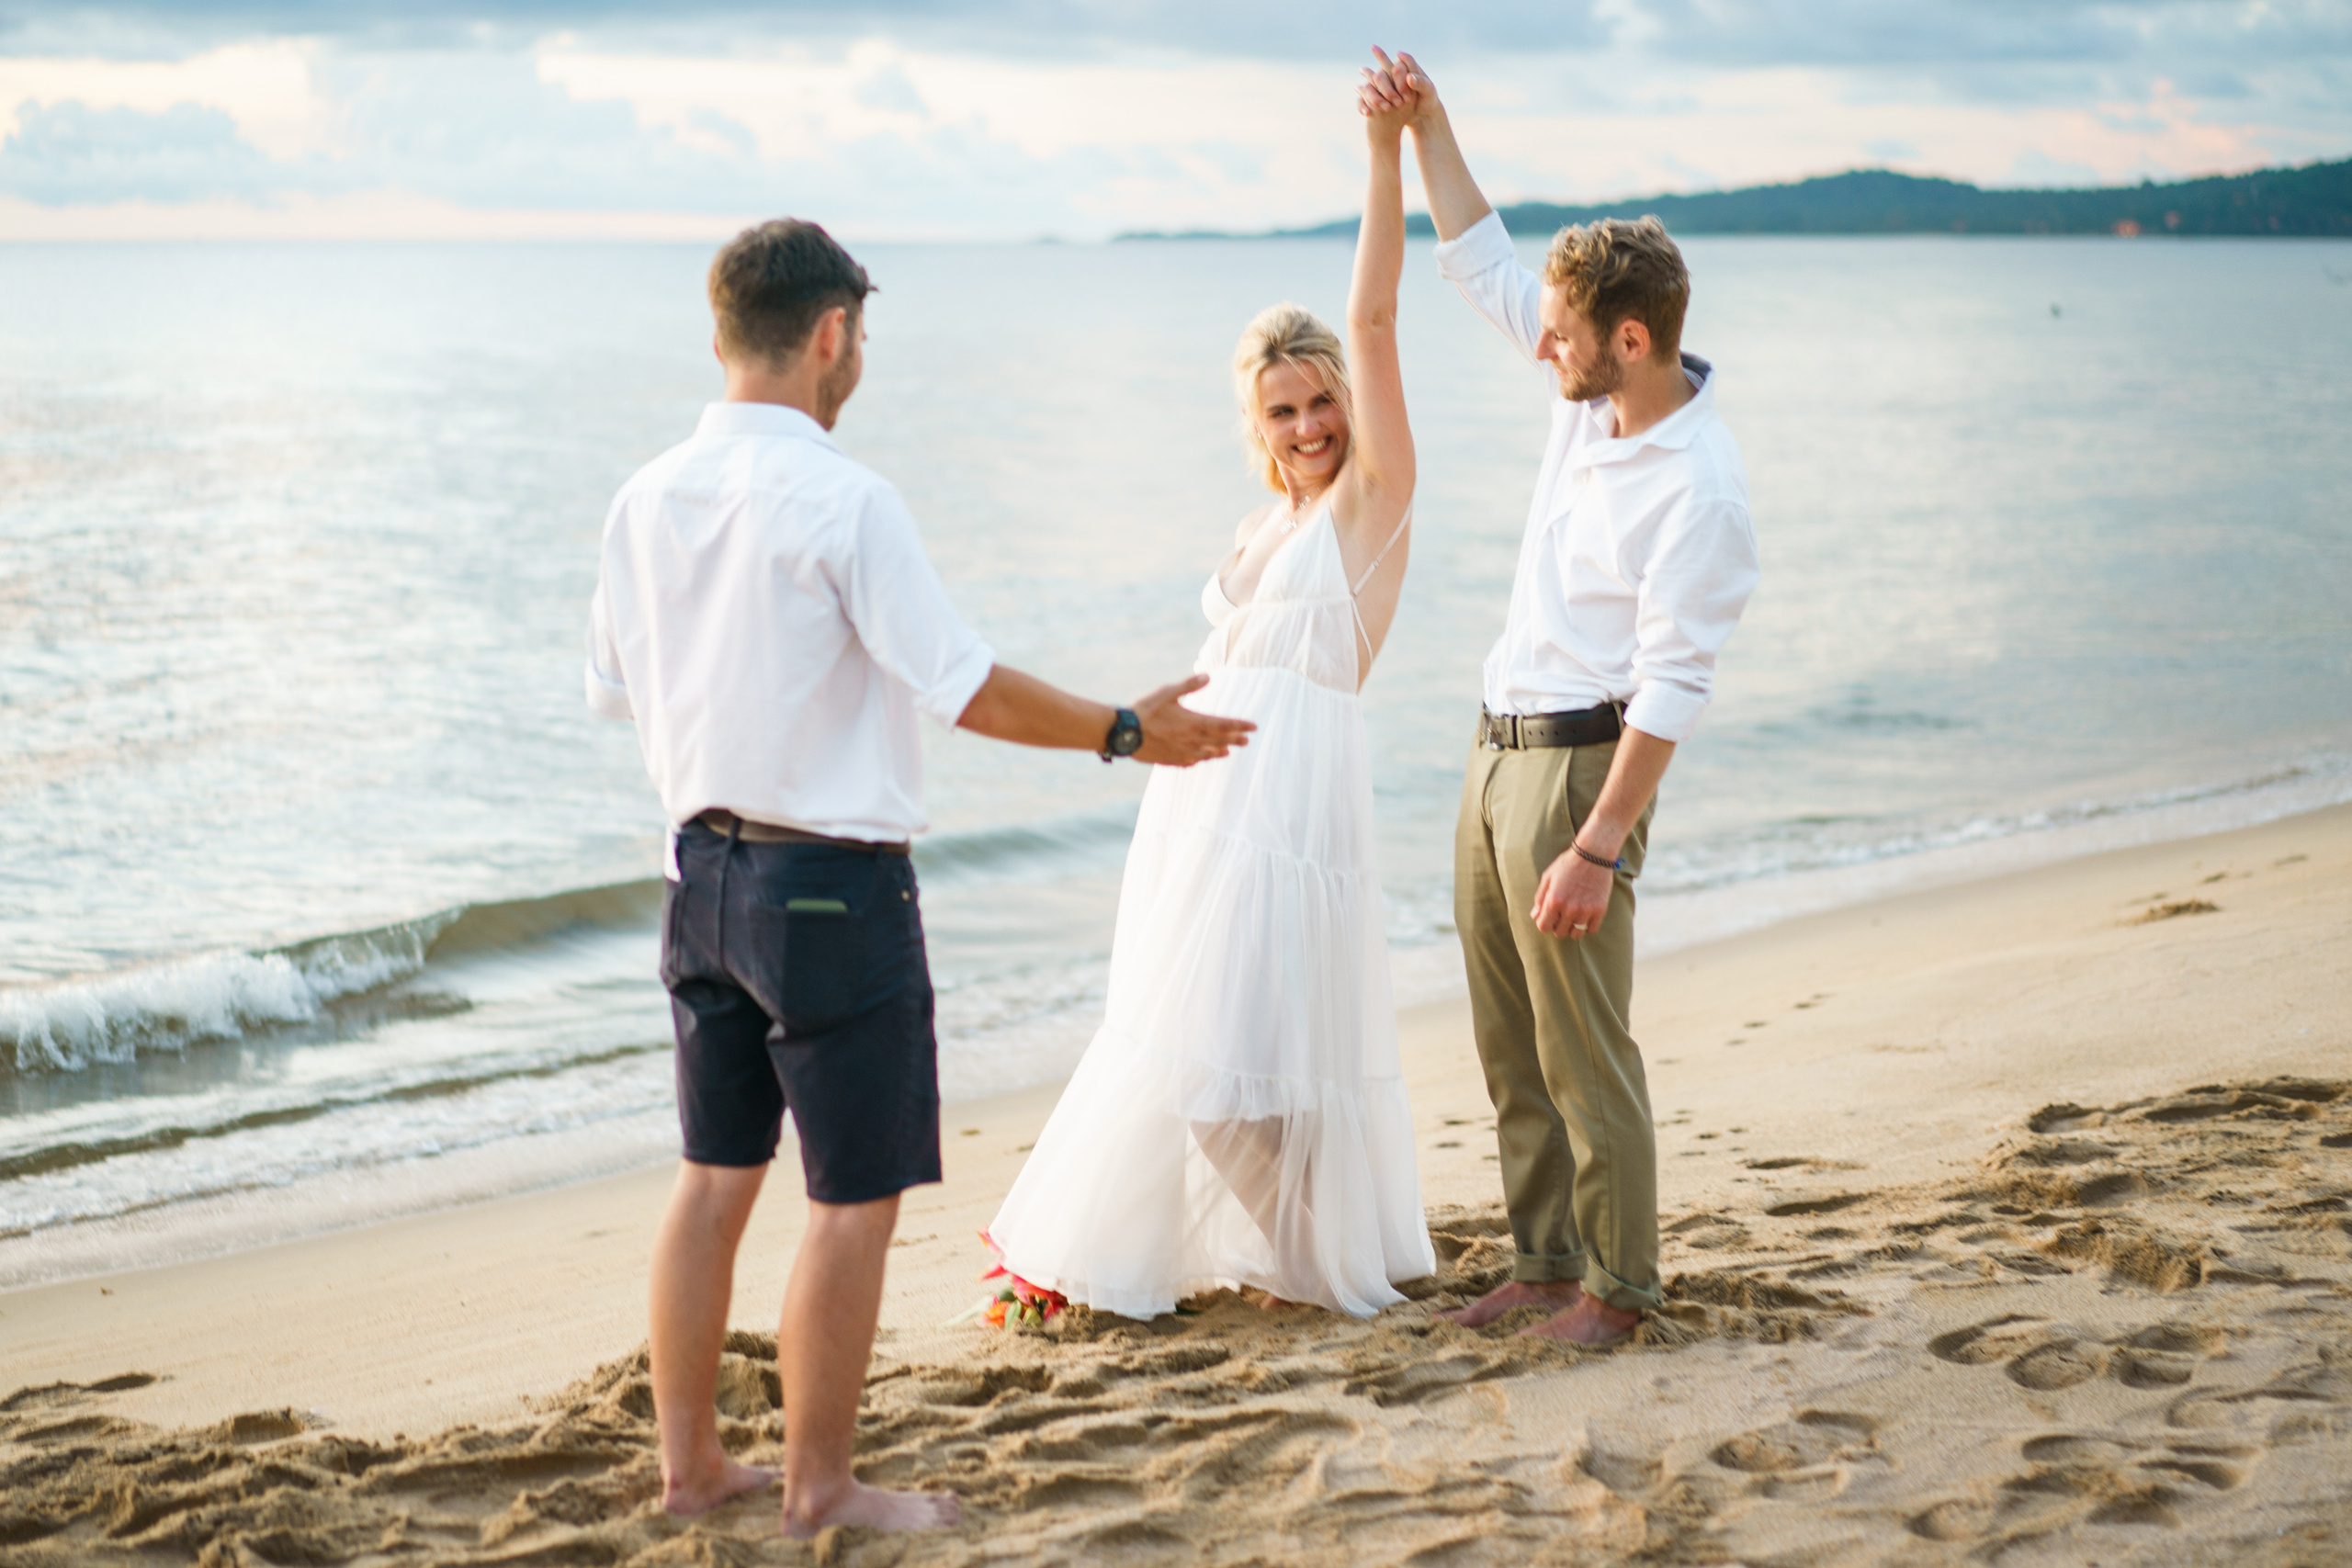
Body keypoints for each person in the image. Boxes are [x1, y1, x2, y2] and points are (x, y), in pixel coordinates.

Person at [583, 219, 1254, 1537]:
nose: (860, 359)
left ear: (722, 332)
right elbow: (966, 688)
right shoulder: (846, 499)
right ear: (832, 332)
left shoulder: (643, 497)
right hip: (830, 893)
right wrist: (1128, 729)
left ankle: (692, 1472)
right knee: (850, 1202)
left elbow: (618, 690)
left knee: (712, 1180)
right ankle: (820, 1487)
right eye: (861, 336)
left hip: (697, 880)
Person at [982, 56, 1435, 1318]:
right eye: (1283, 411)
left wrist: (1386, 153)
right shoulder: (1257, 526)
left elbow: (1378, 319)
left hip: (1290, 815)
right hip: (1203, 815)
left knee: (1224, 1072)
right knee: (1229, 1063)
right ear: (1258, 423)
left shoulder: (1372, 504)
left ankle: (1313, 1264)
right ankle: (1308, 1257)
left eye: (1322, 401)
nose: (1309, 426)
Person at [1359, 51, 1760, 1346]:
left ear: (1630, 340)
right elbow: (1482, 259)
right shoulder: (1587, 401)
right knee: (1511, 1043)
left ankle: (1619, 1291)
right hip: (1495, 753)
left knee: (1586, 1048)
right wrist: (1429, 124)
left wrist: (1597, 843)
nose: (1541, 347)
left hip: (1583, 772)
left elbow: (1674, 687)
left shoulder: (1700, 489)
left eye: (1563, 334)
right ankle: (1541, 1263)